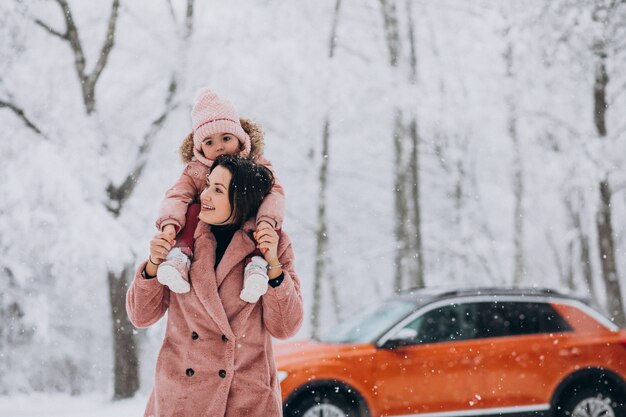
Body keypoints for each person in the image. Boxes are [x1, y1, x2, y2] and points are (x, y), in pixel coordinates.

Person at [127, 155, 303, 417]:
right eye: (207, 184)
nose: (205, 195)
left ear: (241, 199)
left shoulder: (273, 242)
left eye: (217, 190)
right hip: (181, 398)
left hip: (245, 401)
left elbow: (286, 327)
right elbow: (141, 316)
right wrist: (153, 265)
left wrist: (273, 267)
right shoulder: (180, 238)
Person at [155, 88, 284, 294]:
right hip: (206, 226)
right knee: (191, 210)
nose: (219, 147)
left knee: (260, 219)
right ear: (199, 148)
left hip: (248, 226)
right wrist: (169, 225)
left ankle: (256, 265)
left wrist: (267, 222)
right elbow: (176, 196)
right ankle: (180, 256)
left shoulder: (256, 165)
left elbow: (274, 194)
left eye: (226, 138)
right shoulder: (195, 171)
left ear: (240, 138)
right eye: (209, 142)